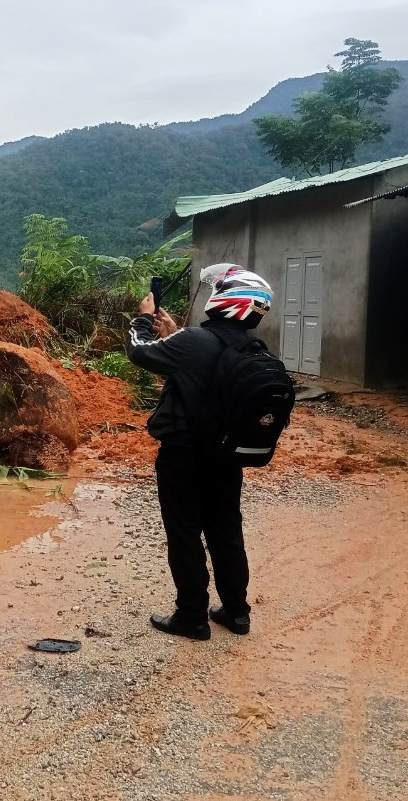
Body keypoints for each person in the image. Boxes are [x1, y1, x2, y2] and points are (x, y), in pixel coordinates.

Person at [125, 264, 274, 641]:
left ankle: (191, 616)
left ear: (224, 300)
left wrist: (143, 320)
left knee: (185, 533)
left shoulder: (195, 342)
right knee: (226, 532)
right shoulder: (251, 348)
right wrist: (174, 334)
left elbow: (138, 352)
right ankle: (237, 614)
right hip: (226, 457)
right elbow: (206, 373)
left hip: (184, 456)